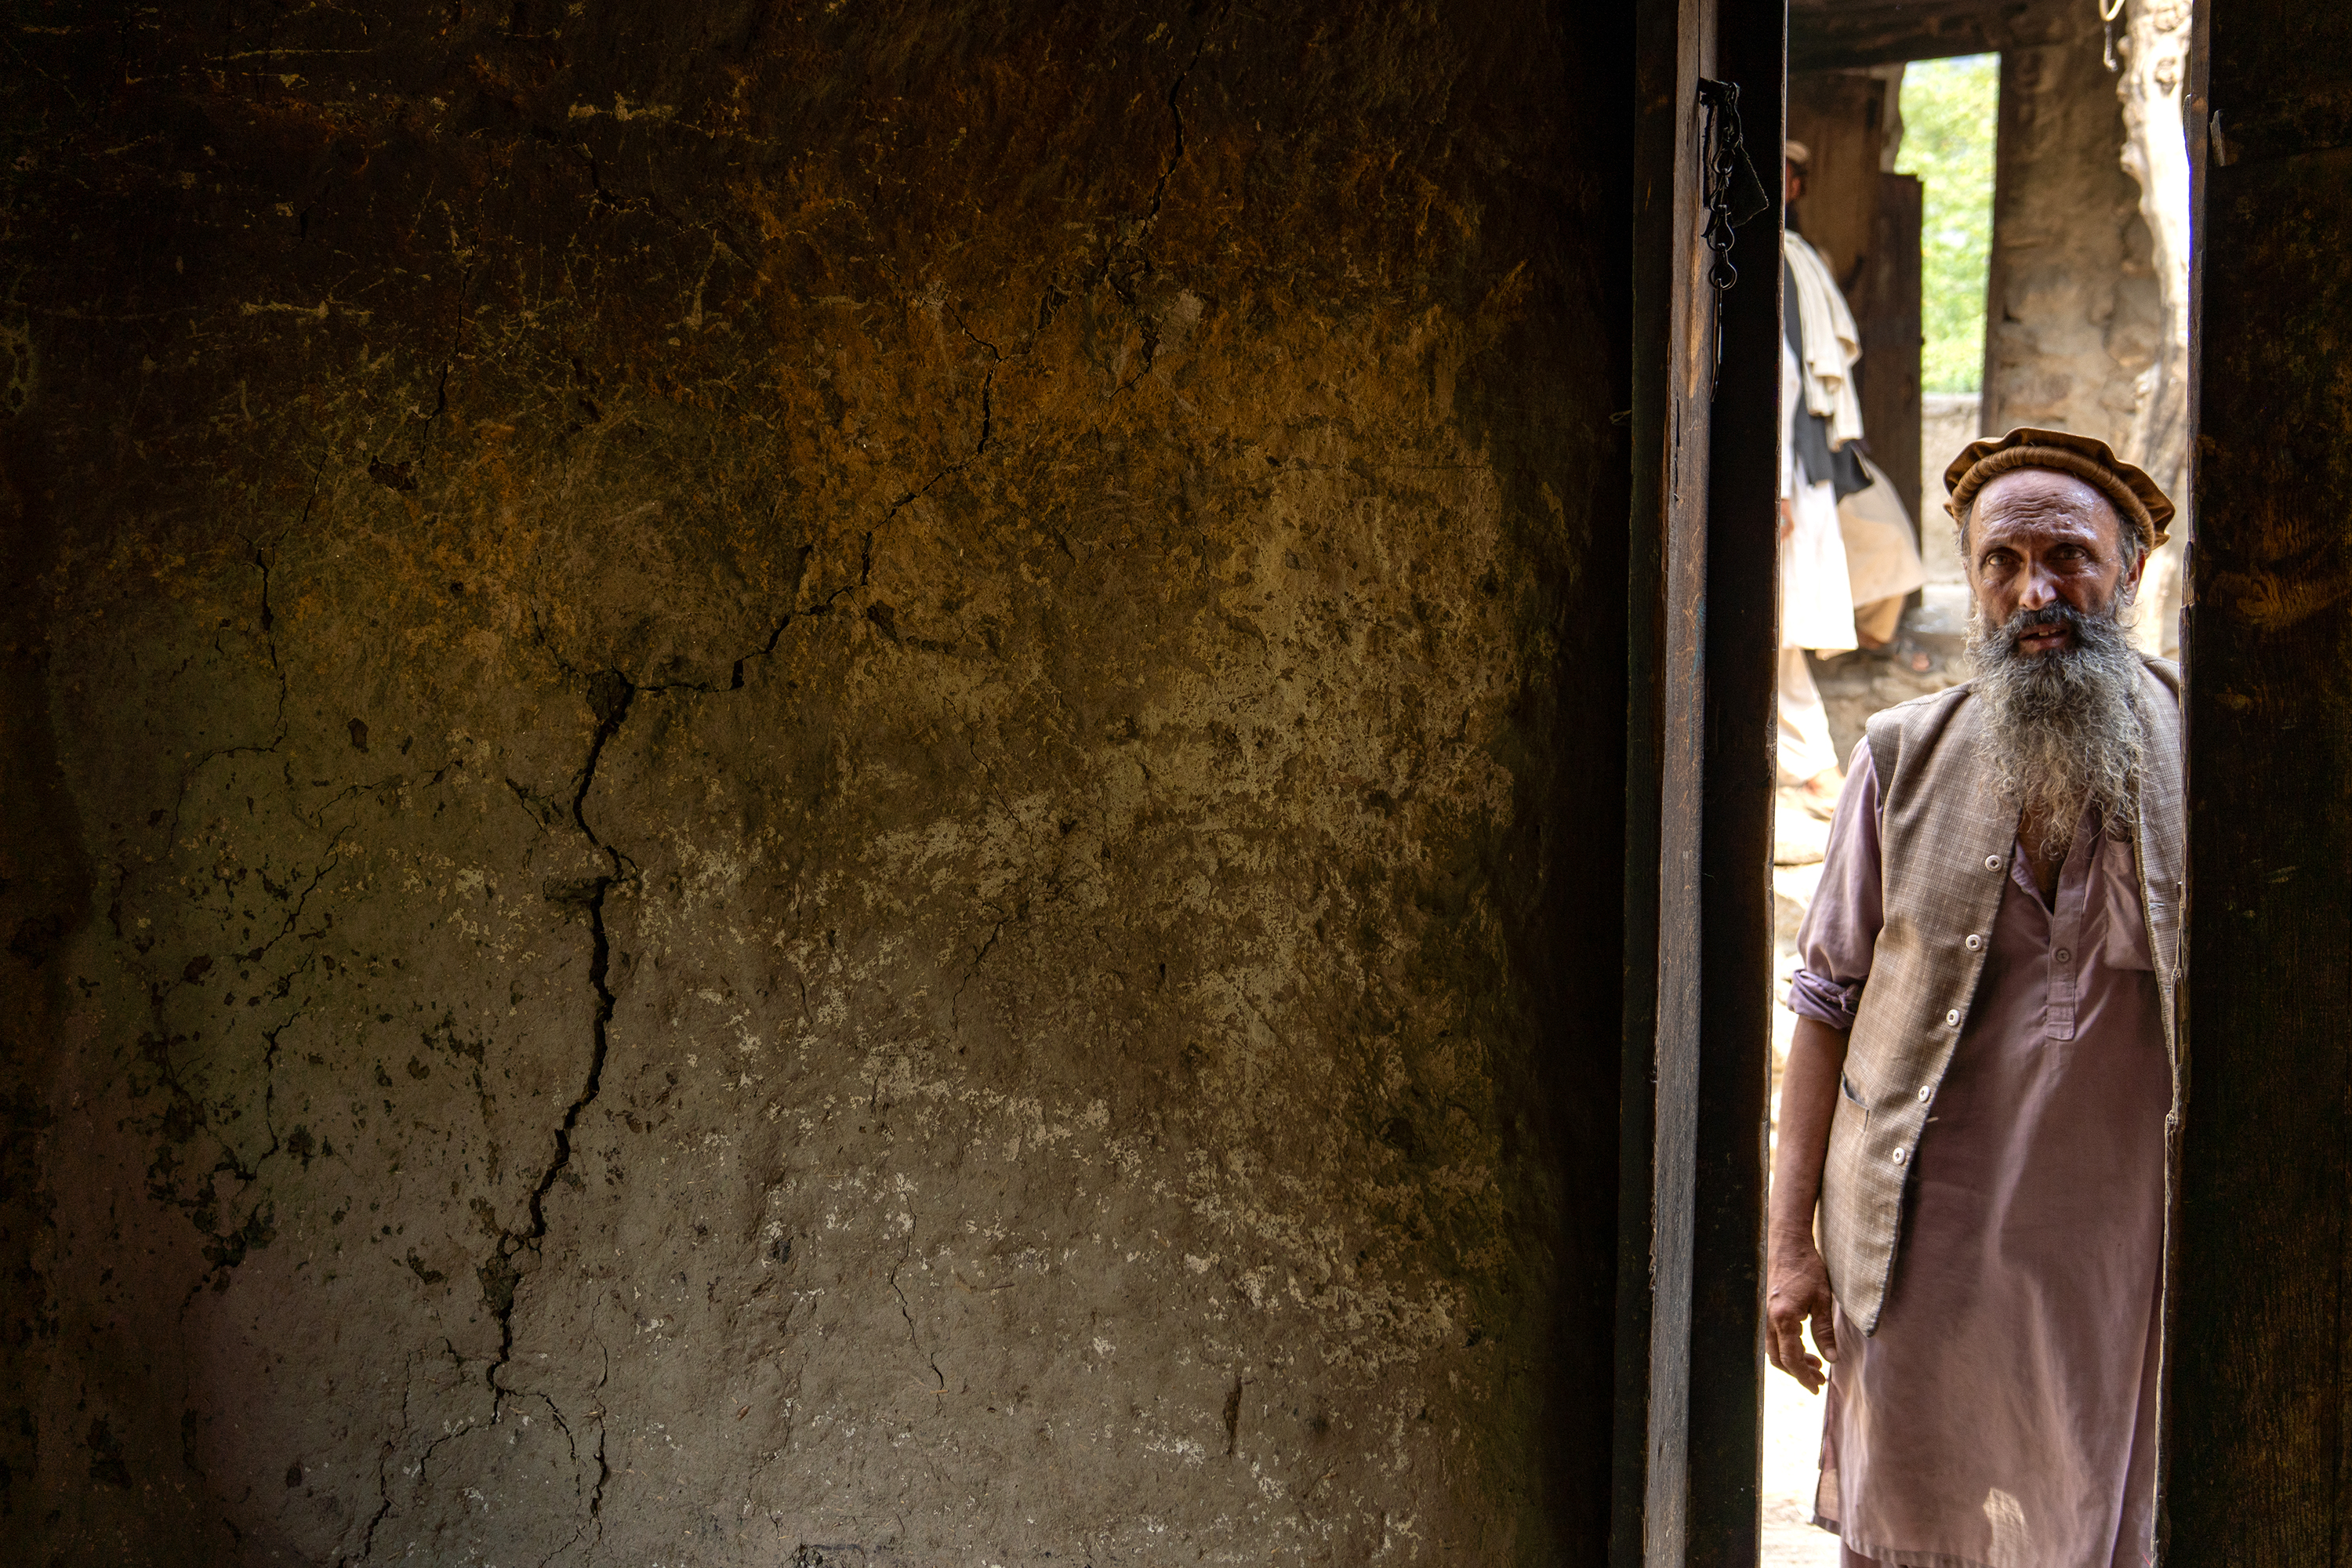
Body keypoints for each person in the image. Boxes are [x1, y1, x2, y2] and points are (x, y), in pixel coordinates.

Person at [1766, 426, 2182, 1568]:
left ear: (2130, 571)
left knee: (2104, 1524)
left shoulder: (2211, 756)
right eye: (2001, 560)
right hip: (1922, 1256)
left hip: (2124, 1271)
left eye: (2070, 557)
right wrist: (1789, 1245)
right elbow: (1823, 1002)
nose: (2035, 590)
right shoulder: (1899, 756)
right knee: (1918, 1533)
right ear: (1971, 575)